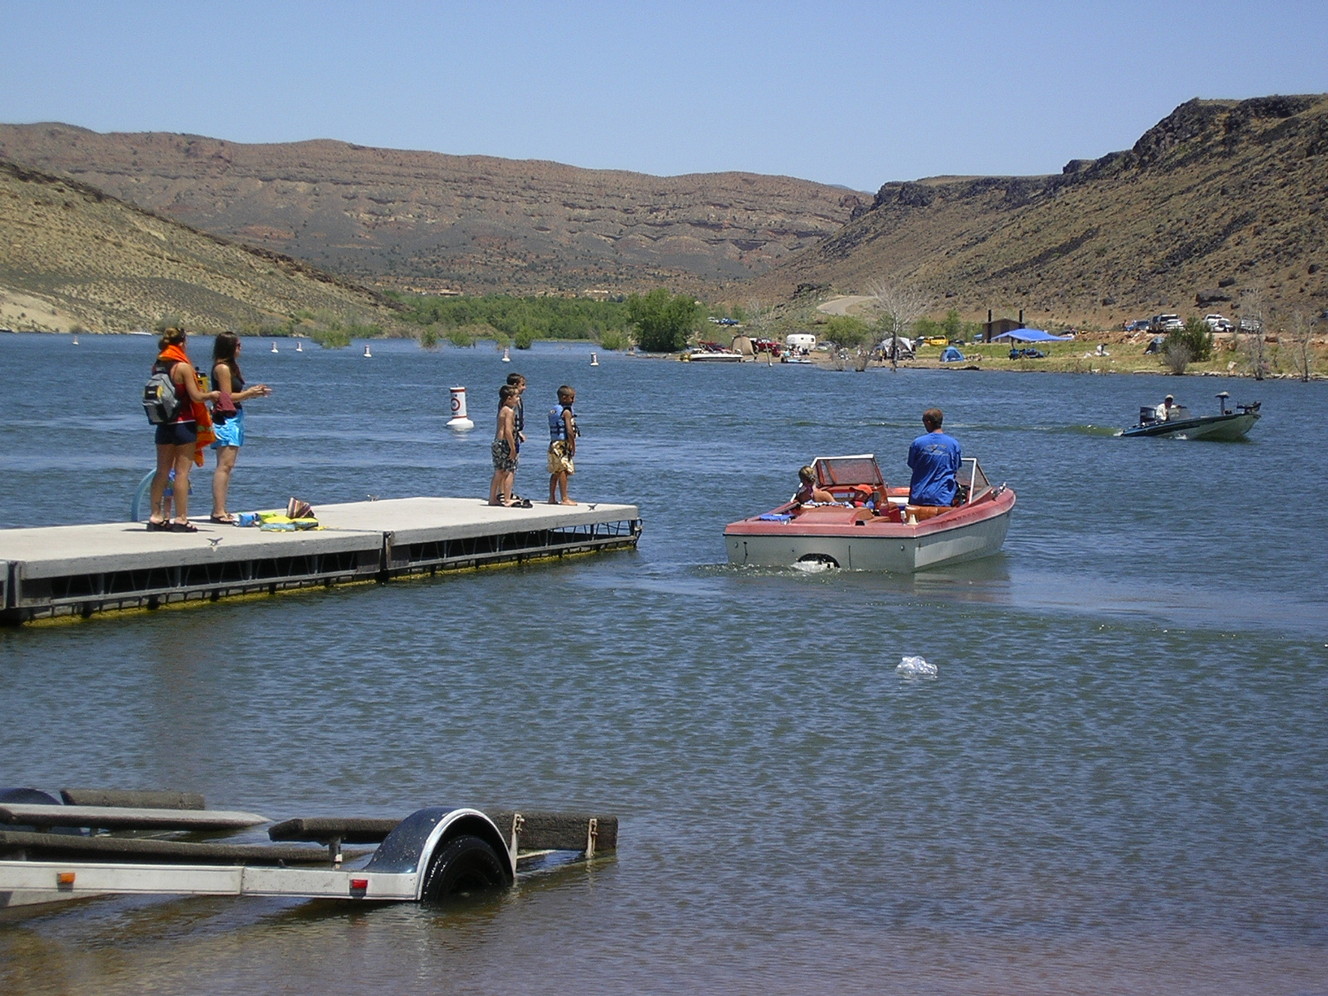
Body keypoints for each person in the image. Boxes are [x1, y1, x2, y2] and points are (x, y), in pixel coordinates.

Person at [147, 328, 219, 532]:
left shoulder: (158, 365)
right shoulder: (183, 367)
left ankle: (155, 516)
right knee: (181, 473)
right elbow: (196, 396)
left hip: (163, 424)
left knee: (161, 471)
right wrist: (211, 395)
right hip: (184, 423)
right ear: (182, 343)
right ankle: (181, 518)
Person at [208, 332, 272, 524]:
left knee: (228, 466)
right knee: (224, 465)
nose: (240, 349)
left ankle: (221, 508)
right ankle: (218, 511)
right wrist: (249, 393)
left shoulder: (231, 367)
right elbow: (226, 397)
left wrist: (252, 393)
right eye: (237, 345)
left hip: (235, 417)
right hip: (225, 420)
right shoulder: (222, 368)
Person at [907, 407, 962, 508]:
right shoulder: (953, 444)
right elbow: (955, 467)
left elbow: (912, 464)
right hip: (943, 497)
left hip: (919, 495)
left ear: (928, 422)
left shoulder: (917, 443)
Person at [489, 384, 521, 507]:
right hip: (504, 443)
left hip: (497, 442)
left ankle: (492, 498)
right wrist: (513, 448)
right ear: (509, 398)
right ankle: (507, 498)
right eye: (516, 397)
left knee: (498, 471)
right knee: (510, 470)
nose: (518, 399)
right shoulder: (509, 411)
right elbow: (508, 431)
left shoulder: (502, 409)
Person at [547, 384, 578, 505]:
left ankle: (552, 497)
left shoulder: (554, 410)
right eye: (572, 397)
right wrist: (573, 445)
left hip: (553, 443)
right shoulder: (566, 412)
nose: (574, 400)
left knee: (556, 471)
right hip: (562, 444)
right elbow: (569, 431)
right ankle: (565, 498)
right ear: (564, 398)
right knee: (564, 470)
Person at [505, 371, 527, 499]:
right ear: (515, 385)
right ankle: (504, 494)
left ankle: (507, 492)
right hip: (509, 439)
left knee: (512, 467)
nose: (524, 388)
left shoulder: (516, 400)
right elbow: (508, 423)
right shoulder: (509, 403)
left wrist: (519, 433)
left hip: (515, 435)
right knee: (508, 467)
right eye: (522, 385)